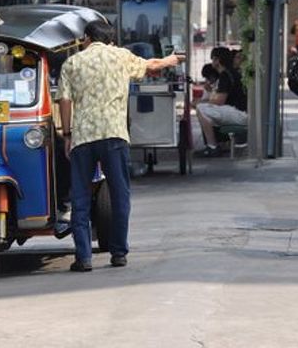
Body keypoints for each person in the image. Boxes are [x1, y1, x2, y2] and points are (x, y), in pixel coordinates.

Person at [55, 20, 183, 272]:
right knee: (119, 194)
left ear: (87, 39)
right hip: (114, 135)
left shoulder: (73, 63)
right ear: (109, 39)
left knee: (80, 197)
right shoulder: (121, 56)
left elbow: (65, 101)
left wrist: (67, 134)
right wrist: (172, 60)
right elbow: (152, 65)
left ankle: (84, 257)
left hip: (84, 137)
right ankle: (119, 253)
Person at [195, 47, 247, 157]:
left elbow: (219, 100)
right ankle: (217, 143)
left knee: (201, 109)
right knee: (205, 110)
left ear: (217, 60)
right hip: (240, 111)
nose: (212, 62)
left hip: (239, 113)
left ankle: (212, 146)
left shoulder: (225, 75)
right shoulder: (230, 73)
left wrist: (200, 103)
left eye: (213, 59)